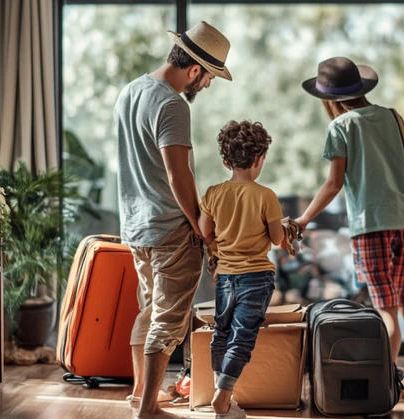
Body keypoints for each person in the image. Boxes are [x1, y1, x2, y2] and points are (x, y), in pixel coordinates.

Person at [114, 21, 232, 419]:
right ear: (195, 69)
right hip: (169, 229)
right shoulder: (172, 103)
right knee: (167, 320)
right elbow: (178, 174)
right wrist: (201, 222)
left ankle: (138, 395)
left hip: (135, 226)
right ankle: (147, 408)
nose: (208, 86)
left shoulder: (131, 91)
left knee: (148, 312)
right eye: (210, 77)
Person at [294, 57, 404, 395]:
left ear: (331, 98)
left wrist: (303, 219)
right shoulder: (391, 116)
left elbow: (333, 184)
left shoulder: (341, 127)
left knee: (385, 309)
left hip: (371, 226)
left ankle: (386, 385)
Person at [197, 121, 286, 419]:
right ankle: (222, 398)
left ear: (226, 161)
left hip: (225, 278)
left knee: (221, 333)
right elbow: (276, 238)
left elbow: (204, 231)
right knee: (242, 338)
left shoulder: (212, 193)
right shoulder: (265, 196)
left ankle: (222, 398)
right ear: (260, 159)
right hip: (257, 278)